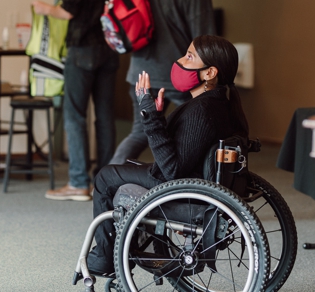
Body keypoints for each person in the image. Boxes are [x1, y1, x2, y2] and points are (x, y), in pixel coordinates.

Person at [88, 35, 249, 275]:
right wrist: (158, 117)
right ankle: (133, 246)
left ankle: (105, 257)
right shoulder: (215, 104)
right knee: (124, 170)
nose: (181, 61)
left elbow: (172, 170)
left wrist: (150, 116)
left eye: (190, 57)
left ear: (210, 73)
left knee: (105, 177)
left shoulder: (202, 110)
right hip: (194, 182)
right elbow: (182, 151)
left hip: (183, 190)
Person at [32, 0, 129, 201]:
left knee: (75, 115)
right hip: (111, 48)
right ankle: (108, 180)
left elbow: (68, 10)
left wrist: (45, 8)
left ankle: (77, 183)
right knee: (105, 115)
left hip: (83, 48)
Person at [109, 0, 217, 165]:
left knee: (139, 133)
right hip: (181, 76)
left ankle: (107, 182)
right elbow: (205, 42)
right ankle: (197, 188)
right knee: (199, 133)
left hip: (141, 72)